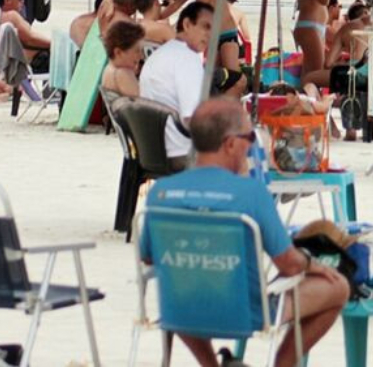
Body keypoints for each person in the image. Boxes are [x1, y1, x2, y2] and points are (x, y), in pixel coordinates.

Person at [141, 99, 349, 367]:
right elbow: (288, 264)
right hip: (243, 313)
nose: (252, 144)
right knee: (339, 286)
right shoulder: (251, 194)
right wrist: (313, 265)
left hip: (177, 311)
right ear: (229, 144)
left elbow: (148, 258)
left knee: (186, 284)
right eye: (249, 136)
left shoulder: (160, 192)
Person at [140, 1, 214, 172]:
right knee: (250, 155)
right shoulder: (187, 59)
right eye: (206, 27)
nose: (210, 35)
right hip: (181, 152)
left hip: (153, 150)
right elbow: (192, 118)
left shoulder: (161, 54)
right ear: (187, 24)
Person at [167, 0, 241, 76]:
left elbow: (192, 14)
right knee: (213, 78)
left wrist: (174, 28)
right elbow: (175, 5)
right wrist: (158, 16)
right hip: (215, 38)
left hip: (227, 36)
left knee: (233, 77)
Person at [0, 0, 51, 72]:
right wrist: (53, 44)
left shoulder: (3, 18)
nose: (23, 2)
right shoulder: (11, 15)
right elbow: (28, 39)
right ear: (7, 0)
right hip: (33, 60)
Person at [293, 0, 330, 80]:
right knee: (316, 70)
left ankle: (304, 94)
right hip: (309, 26)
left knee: (310, 70)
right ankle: (308, 94)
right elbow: (324, 0)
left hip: (315, 27)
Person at [101, 20, 144, 98]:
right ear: (118, 52)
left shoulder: (109, 69)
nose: (141, 56)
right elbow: (142, 105)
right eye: (137, 51)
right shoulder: (123, 74)